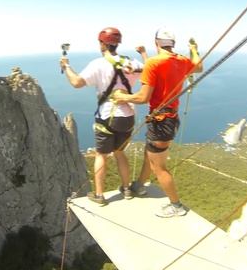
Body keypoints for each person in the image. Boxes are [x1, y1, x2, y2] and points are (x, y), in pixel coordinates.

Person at [113, 28, 203, 217]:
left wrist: (123, 97)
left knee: (159, 167)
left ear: (157, 43)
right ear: (172, 44)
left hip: (161, 121)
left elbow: (143, 97)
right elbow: (198, 66)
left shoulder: (154, 62)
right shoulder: (180, 60)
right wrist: (194, 49)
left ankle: (176, 205)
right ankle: (139, 186)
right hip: (169, 118)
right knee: (150, 154)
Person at [60, 27, 143, 205]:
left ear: (102, 43)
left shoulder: (98, 64)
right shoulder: (132, 63)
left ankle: (99, 195)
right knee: (120, 152)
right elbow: (149, 72)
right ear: (117, 43)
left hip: (107, 116)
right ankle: (127, 189)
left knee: (101, 155)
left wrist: (66, 67)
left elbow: (76, 82)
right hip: (127, 116)